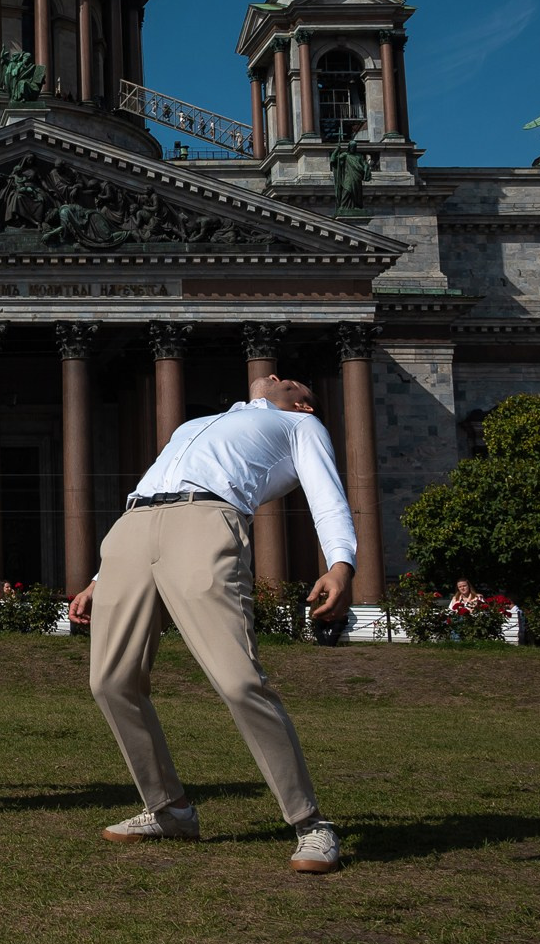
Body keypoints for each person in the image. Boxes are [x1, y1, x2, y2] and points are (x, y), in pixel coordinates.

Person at [67, 373, 355, 874]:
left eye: (294, 382)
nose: (280, 377)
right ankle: (169, 810)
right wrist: (98, 577)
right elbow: (155, 481)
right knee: (110, 682)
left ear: (303, 405)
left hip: (206, 522)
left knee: (239, 680)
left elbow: (326, 495)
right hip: (133, 526)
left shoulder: (299, 428)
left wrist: (340, 563)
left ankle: (311, 823)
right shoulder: (203, 422)